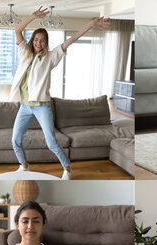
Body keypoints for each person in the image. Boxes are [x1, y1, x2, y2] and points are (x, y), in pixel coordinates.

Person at [10, 7, 110, 180]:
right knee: (15, 140)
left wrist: (91, 25)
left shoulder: (50, 57)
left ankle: (67, 169)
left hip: (41, 107)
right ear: (32, 40)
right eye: (36, 39)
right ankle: (24, 166)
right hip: (25, 106)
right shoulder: (24, 52)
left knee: (51, 142)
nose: (38, 43)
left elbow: (71, 39)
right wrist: (32, 16)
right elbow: (17, 30)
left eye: (42, 41)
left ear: (46, 43)